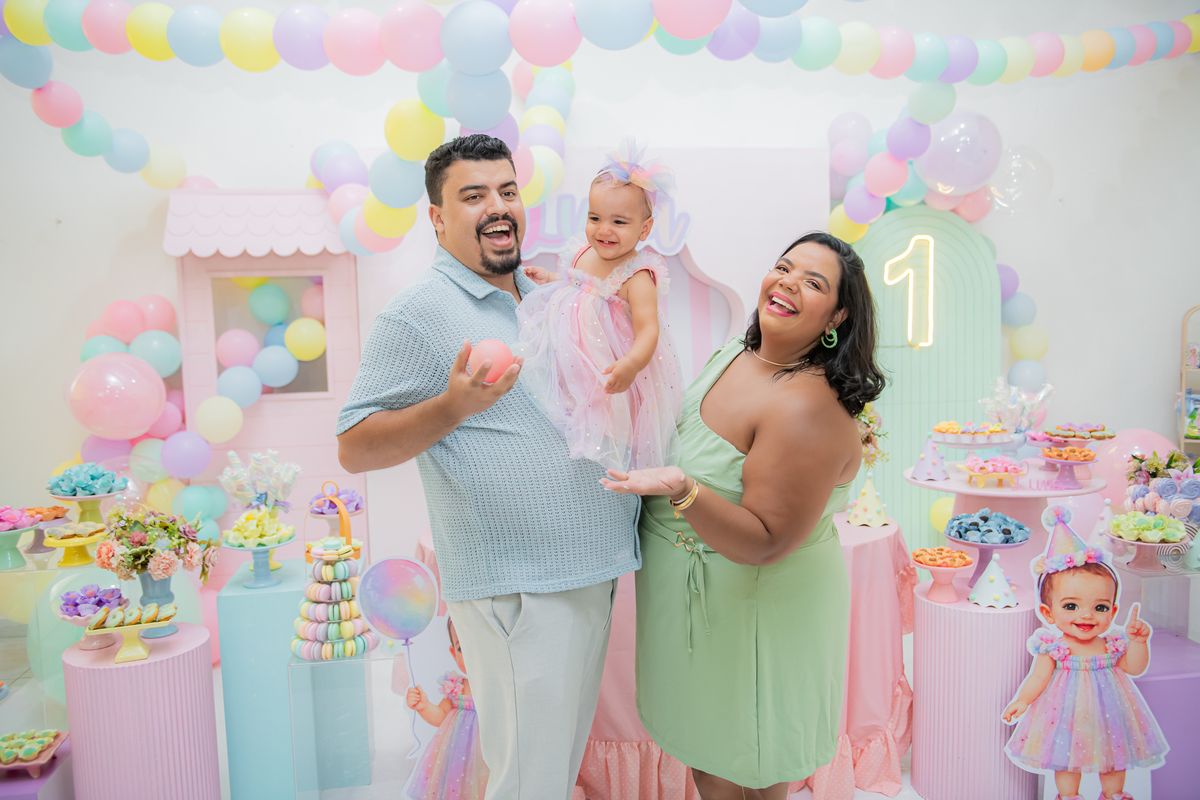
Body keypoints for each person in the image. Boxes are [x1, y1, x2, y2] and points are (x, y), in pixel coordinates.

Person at [336, 134, 640, 800]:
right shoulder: (416, 314)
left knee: (551, 775)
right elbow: (354, 445)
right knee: (528, 783)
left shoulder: (544, 295)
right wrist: (452, 406)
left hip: (588, 572)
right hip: (517, 589)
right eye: (473, 196)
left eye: (507, 191)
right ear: (437, 218)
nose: (497, 207)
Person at [601, 232, 886, 799]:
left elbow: (766, 540)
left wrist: (682, 490)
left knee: (747, 764)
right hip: (701, 605)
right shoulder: (740, 350)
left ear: (838, 315)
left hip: (757, 611)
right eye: (784, 267)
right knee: (709, 757)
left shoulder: (805, 408)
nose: (788, 283)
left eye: (813, 282)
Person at [518, 140, 683, 472]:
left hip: (609, 359)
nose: (604, 230)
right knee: (565, 392)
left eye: (619, 222)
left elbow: (648, 330)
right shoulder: (582, 252)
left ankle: (603, 457)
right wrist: (550, 277)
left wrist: (632, 364)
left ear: (644, 229)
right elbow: (576, 283)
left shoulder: (637, 276)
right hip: (571, 350)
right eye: (595, 218)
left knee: (606, 407)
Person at [1003, 507, 1168, 800]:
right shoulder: (1054, 647)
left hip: (1110, 713)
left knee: (1115, 755)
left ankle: (1114, 793)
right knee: (1066, 759)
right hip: (1065, 714)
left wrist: (1138, 642)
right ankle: (1069, 796)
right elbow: (1038, 678)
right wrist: (1023, 700)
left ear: (1113, 612)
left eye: (1100, 607)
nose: (1087, 615)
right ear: (1048, 613)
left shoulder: (1111, 644)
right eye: (1071, 606)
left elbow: (1134, 667)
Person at [406, 618, 488, 800]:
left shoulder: (500, 686)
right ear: (453, 653)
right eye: (462, 649)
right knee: (463, 789)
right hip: (460, 757)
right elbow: (441, 716)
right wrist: (424, 707)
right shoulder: (456, 686)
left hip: (490, 752)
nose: (472, 654)